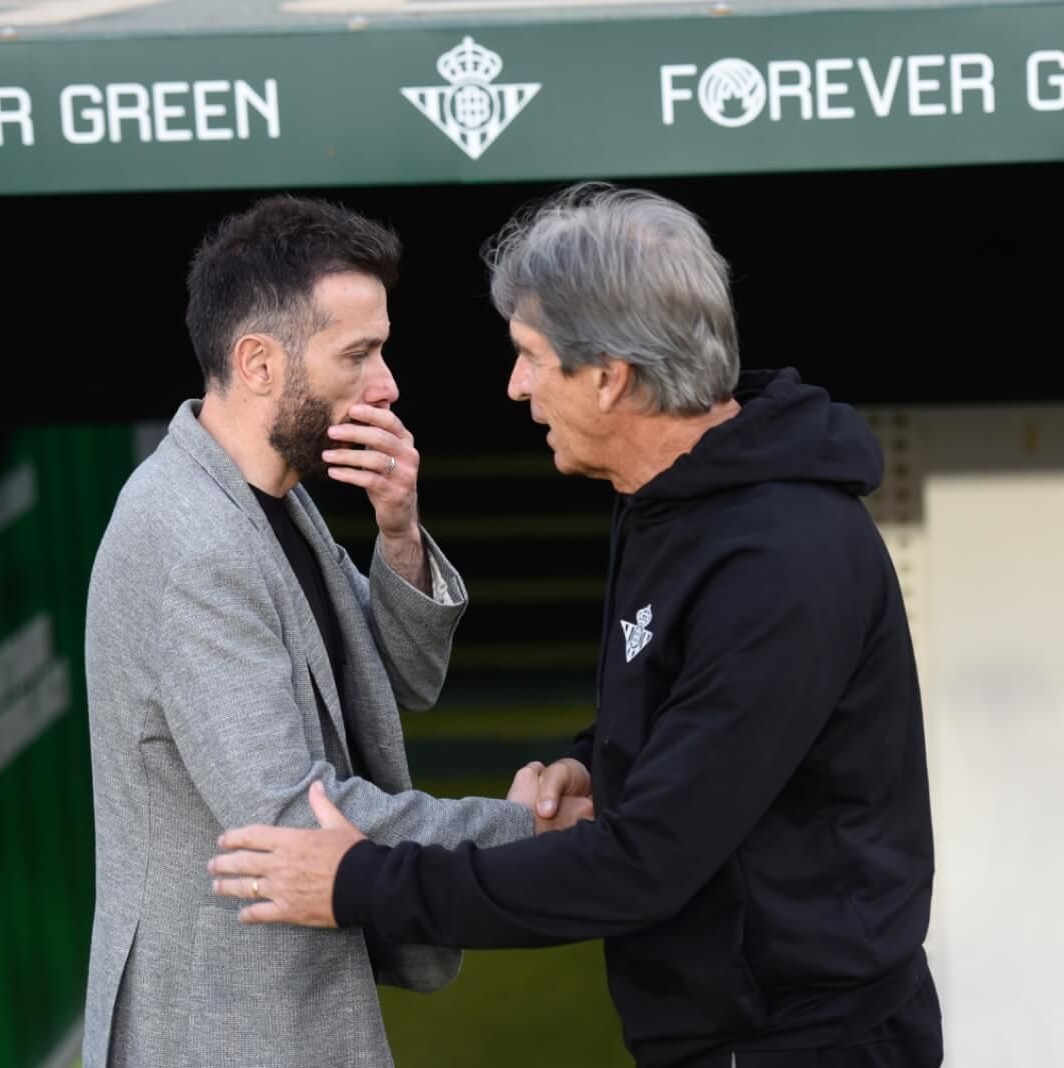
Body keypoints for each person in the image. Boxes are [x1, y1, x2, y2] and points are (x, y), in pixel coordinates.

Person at [208, 182, 942, 1067]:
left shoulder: (779, 564)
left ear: (609, 377)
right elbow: (698, 709)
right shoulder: (668, 501)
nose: (515, 386)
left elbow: (642, 866)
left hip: (800, 1043)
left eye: (530, 356)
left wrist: (358, 880)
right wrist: (595, 761)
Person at [81, 193, 588, 1068]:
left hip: (263, 1003)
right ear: (259, 362)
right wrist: (516, 836)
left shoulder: (274, 497)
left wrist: (397, 531)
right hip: (221, 1025)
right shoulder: (194, 544)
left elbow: (396, 685)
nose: (387, 384)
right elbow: (292, 815)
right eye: (358, 354)